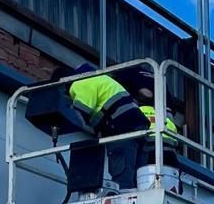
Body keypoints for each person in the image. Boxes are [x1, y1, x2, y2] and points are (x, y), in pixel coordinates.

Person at [62, 62, 152, 195]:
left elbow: (81, 111)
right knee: (138, 170)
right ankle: (141, 194)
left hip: (121, 125)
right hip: (139, 123)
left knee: (121, 164)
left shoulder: (80, 83)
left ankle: (123, 195)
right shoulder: (103, 79)